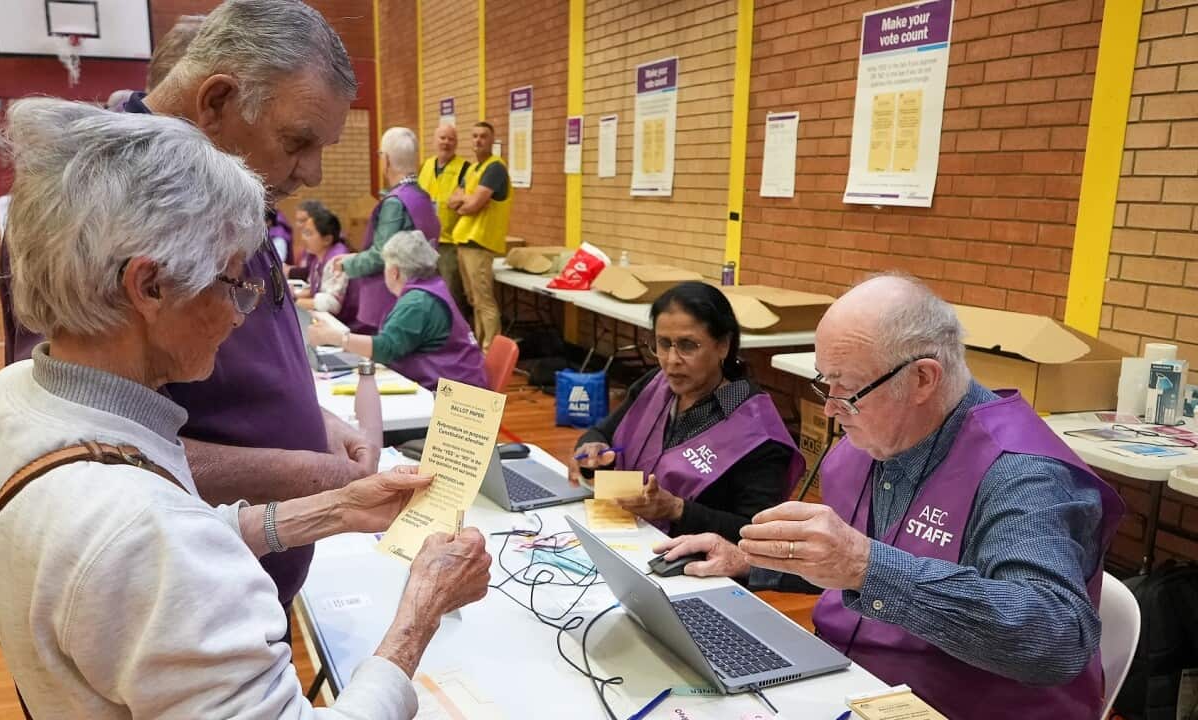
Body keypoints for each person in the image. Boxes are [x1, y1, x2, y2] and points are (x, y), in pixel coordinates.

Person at [0, 97, 490, 719]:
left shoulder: (14, 395)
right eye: (235, 283)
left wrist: (333, 510)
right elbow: (158, 548)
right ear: (150, 285)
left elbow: (165, 549)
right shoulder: (142, 533)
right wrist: (420, 610)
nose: (240, 315)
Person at [0, 0, 375, 614]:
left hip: (240, 573)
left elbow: (243, 360)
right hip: (172, 598)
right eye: (298, 142)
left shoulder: (230, 183)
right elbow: (85, 444)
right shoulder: (92, 202)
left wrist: (313, 420)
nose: (312, 172)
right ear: (217, 102)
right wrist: (304, 470)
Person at [654, 274, 1125, 720]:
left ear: (923, 379)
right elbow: (850, 568)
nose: (831, 407)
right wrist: (748, 561)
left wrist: (866, 566)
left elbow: (1055, 637)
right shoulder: (875, 440)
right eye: (825, 380)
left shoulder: (1024, 475)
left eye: (849, 388)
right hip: (852, 682)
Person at [568, 282, 803, 542]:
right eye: (663, 343)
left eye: (688, 345)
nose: (671, 360)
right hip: (623, 534)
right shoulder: (655, 384)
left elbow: (754, 532)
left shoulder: (758, 435)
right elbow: (603, 433)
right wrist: (591, 450)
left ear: (723, 345)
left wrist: (677, 509)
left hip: (695, 565)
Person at [308, 230, 485, 391]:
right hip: (464, 393)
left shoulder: (417, 303)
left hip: (461, 408)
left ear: (394, 272)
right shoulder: (428, 289)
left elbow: (386, 348)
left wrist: (335, 337)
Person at [336, 127, 439, 335]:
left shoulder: (395, 202)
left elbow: (381, 255)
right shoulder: (423, 197)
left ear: (387, 161)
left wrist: (346, 264)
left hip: (390, 297)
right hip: (421, 291)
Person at [447, 121, 512, 350]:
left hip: (480, 242)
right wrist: (468, 201)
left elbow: (472, 204)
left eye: (483, 136)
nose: (478, 140)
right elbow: (452, 202)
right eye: (474, 136)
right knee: (473, 300)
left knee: (484, 301)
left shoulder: (495, 168)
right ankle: (478, 347)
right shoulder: (474, 169)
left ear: (492, 140)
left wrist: (469, 200)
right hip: (464, 240)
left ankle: (490, 351)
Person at [417, 123, 469, 316]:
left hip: (450, 242)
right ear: (434, 140)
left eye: (451, 139)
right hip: (425, 241)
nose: (446, 142)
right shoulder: (426, 165)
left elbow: (464, 201)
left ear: (456, 143)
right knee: (427, 291)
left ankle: (457, 335)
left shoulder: (465, 169)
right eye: (442, 138)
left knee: (451, 293)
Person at [292, 203, 347, 300]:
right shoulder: (318, 258)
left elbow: (332, 303)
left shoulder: (336, 259)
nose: (303, 238)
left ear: (327, 240)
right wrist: (293, 295)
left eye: (308, 234)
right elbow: (314, 290)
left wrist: (296, 302)